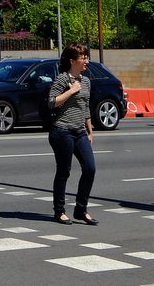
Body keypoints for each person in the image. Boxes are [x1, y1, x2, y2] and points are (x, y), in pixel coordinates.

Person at [48, 43, 98, 226]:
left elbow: (85, 107)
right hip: (61, 131)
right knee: (64, 171)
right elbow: (52, 103)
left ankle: (81, 209)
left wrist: (90, 130)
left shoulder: (86, 81)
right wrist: (71, 90)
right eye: (83, 57)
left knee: (90, 168)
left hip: (79, 132)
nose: (87, 61)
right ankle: (59, 211)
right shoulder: (62, 80)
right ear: (72, 61)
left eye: (86, 57)